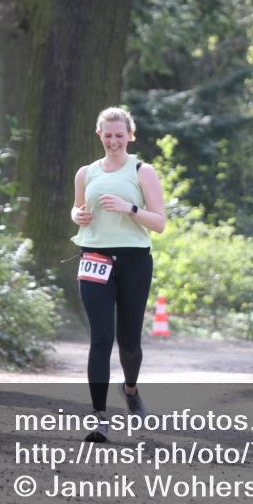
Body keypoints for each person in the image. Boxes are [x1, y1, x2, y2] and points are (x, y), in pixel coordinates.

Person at [71, 107, 166, 442]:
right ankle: (99, 418)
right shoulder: (86, 172)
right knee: (100, 338)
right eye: (108, 135)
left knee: (129, 342)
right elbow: (79, 208)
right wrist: (77, 215)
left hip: (134, 260)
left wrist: (130, 209)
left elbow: (159, 222)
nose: (113, 141)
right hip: (94, 256)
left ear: (130, 136)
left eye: (119, 135)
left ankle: (130, 388)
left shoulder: (142, 171)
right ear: (99, 135)